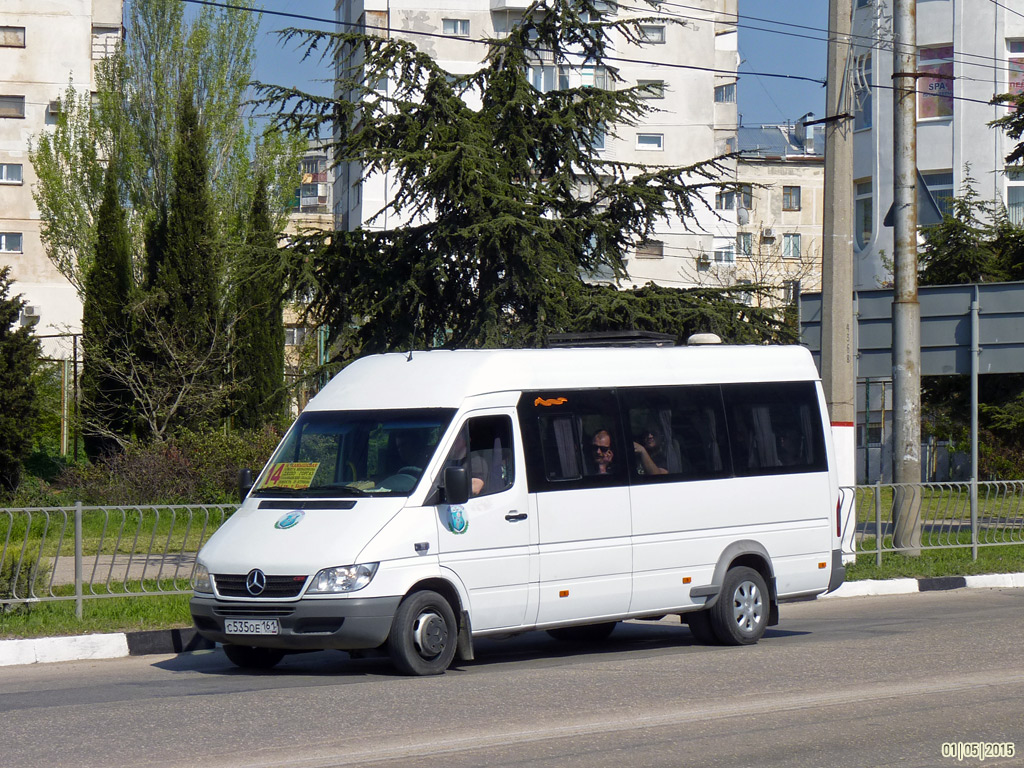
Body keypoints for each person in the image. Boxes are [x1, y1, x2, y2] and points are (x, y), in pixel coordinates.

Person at [446, 428, 487, 495]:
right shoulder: (451, 460)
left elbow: (476, 487)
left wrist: (449, 489)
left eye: (456, 439)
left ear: (466, 440)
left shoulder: (476, 461)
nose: (452, 442)